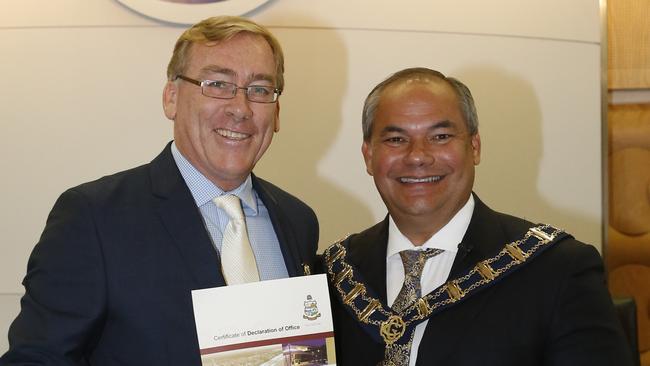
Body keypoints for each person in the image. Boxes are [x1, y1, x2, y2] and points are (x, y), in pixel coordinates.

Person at [1, 16, 318, 365]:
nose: (240, 109)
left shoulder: (298, 220)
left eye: (259, 89)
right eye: (217, 84)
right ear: (171, 98)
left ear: (276, 113)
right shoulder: (94, 218)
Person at [323, 67, 633, 366]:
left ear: (474, 147)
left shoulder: (557, 269)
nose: (417, 155)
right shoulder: (334, 275)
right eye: (395, 139)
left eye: (441, 136)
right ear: (368, 155)